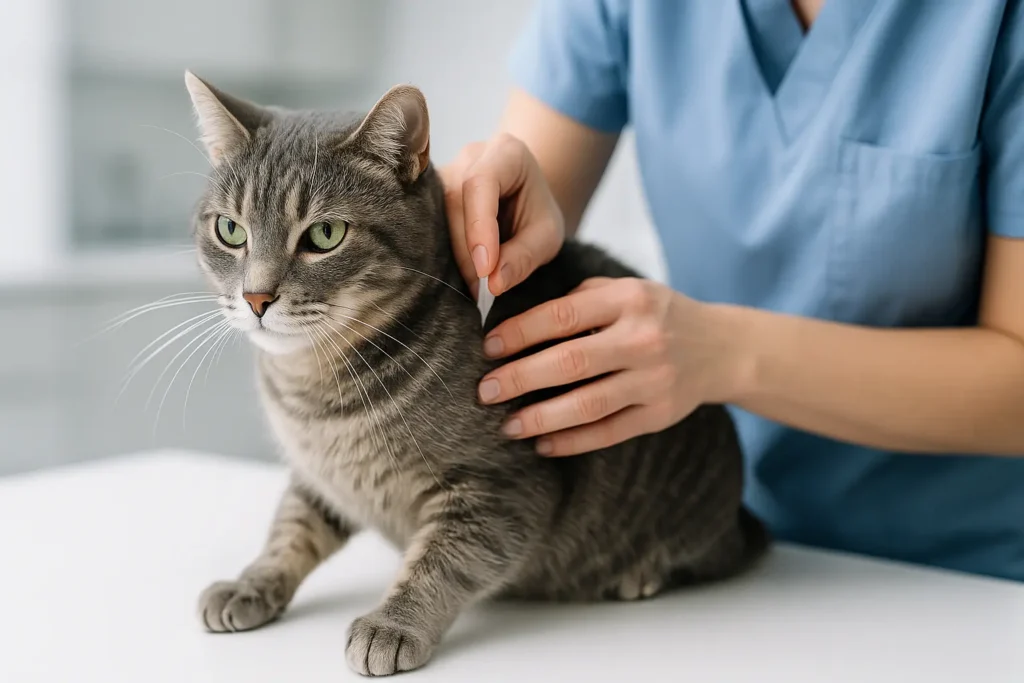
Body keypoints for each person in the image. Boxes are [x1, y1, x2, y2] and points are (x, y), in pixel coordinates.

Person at [440, 0, 1024, 582]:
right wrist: (479, 213)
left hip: (970, 576)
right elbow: (517, 227)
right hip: (728, 550)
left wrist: (724, 354)